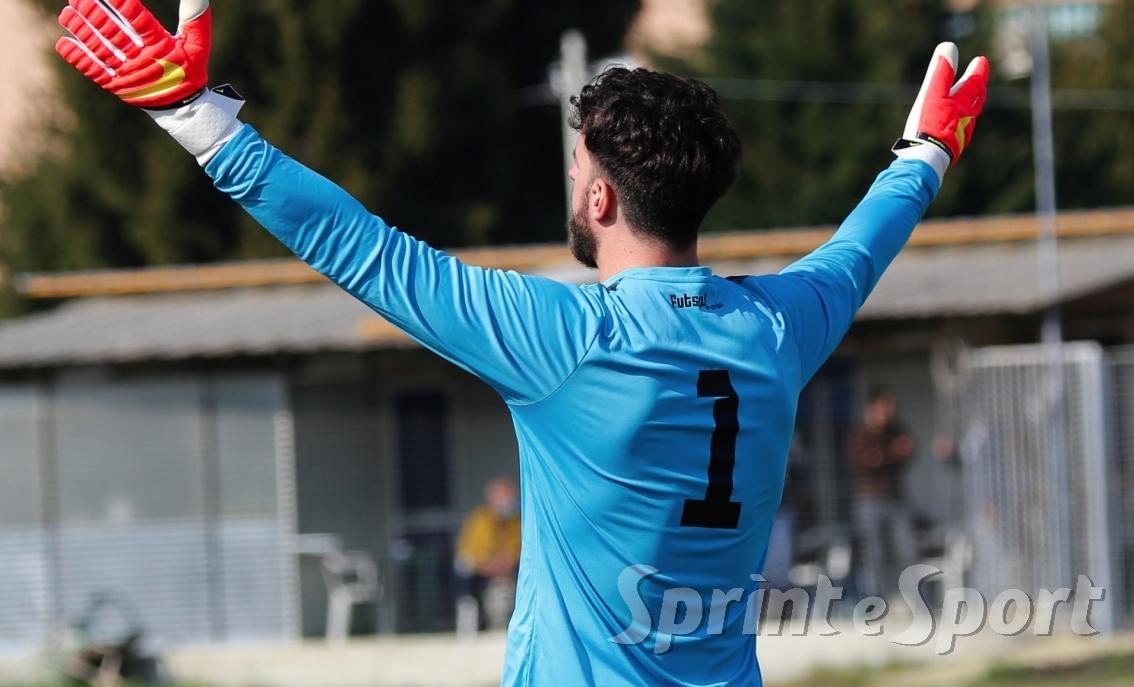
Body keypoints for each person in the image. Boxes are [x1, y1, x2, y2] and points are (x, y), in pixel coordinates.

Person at [52, 1, 989, 683]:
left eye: (577, 161)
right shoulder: (778, 326)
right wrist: (926, 157)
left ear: (600, 198)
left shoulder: (568, 338)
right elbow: (859, 249)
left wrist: (196, 117)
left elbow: (362, 249)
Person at [849, 387, 918, 598]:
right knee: (874, 553)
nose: (888, 412)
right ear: (873, 408)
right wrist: (891, 454)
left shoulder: (896, 430)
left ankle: (915, 598)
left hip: (896, 499)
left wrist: (885, 456)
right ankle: (876, 601)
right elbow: (866, 462)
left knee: (908, 548)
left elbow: (909, 451)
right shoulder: (860, 434)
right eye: (884, 407)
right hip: (869, 500)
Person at [455, 478, 522, 631]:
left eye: (512, 497)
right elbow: (469, 552)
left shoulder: (517, 521)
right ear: (492, 498)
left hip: (508, 571)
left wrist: (505, 564)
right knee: (463, 568)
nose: (510, 501)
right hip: (480, 572)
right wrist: (488, 565)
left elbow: (519, 549)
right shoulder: (479, 519)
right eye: (505, 497)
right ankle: (469, 620)